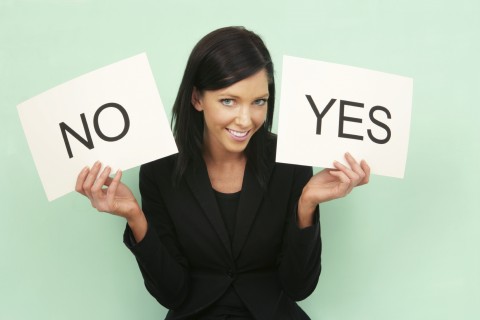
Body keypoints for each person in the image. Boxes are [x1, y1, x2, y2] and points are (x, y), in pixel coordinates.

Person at [75, 26, 370, 320]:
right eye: (228, 100)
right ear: (197, 99)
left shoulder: (289, 161)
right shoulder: (160, 168)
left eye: (259, 102)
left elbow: (299, 287)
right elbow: (172, 294)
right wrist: (135, 217)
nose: (245, 120)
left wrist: (306, 206)